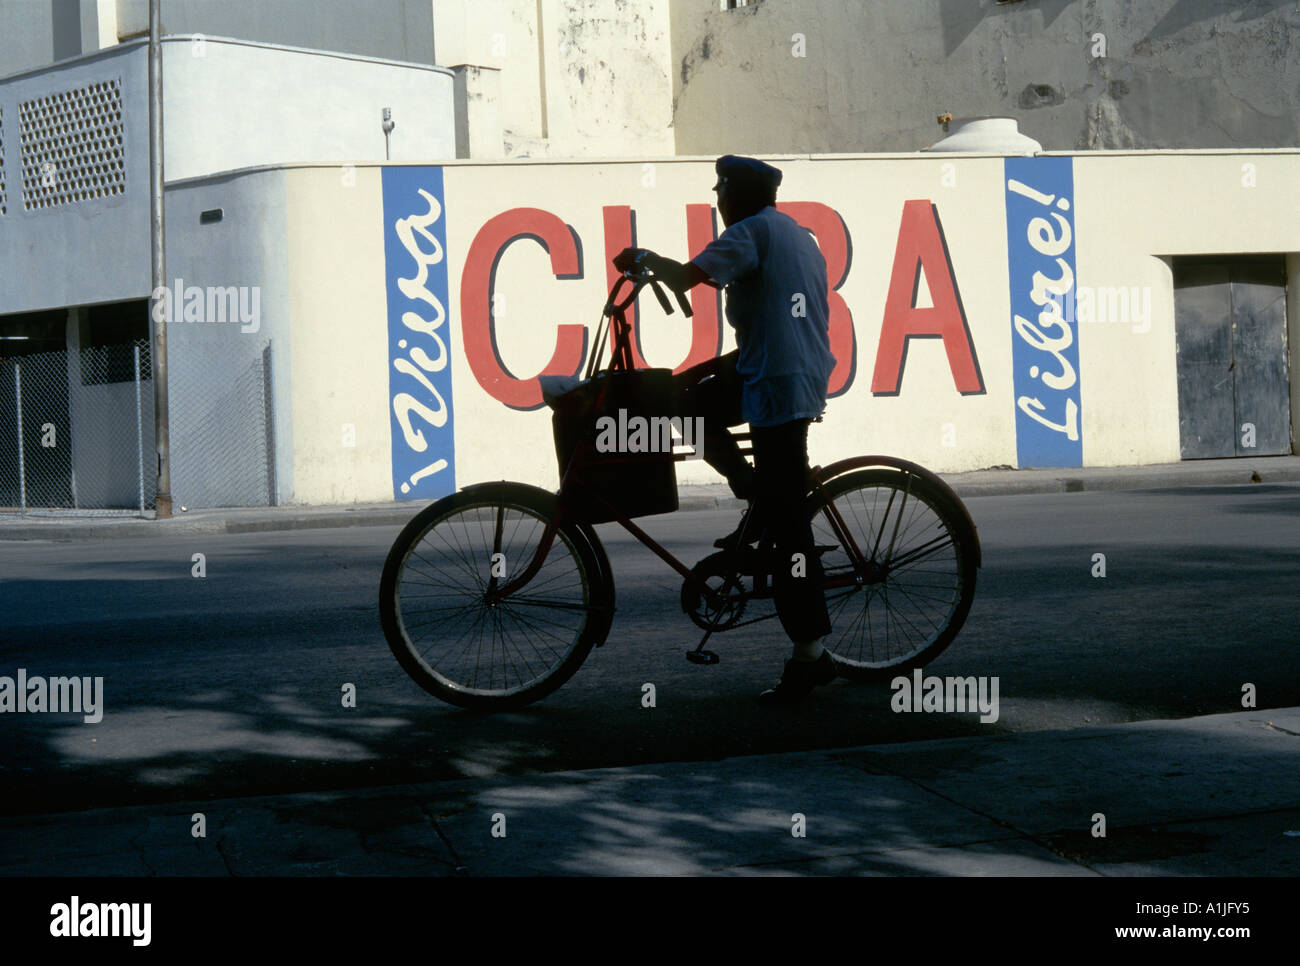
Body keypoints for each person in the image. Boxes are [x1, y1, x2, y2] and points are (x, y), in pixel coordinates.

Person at [614, 155, 837, 705]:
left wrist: (643, 258)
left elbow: (689, 277)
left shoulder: (750, 232)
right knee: (685, 400)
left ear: (738, 195)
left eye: (722, 190)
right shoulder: (793, 234)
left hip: (778, 386)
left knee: (791, 536)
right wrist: (712, 367)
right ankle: (759, 495)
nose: (718, 199)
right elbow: (777, 324)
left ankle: (810, 656)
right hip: (783, 369)